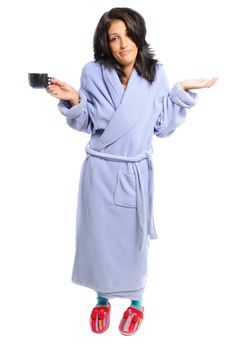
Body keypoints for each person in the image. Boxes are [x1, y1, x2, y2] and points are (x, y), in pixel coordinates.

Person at [47, 7, 217, 336]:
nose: (123, 44)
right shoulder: (93, 72)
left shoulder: (156, 74)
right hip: (100, 172)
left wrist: (181, 90)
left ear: (139, 35)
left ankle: (136, 302)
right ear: (105, 43)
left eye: (128, 35)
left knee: (131, 242)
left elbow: (162, 126)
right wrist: (74, 100)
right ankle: (102, 297)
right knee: (99, 239)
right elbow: (89, 121)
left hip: (133, 173)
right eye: (114, 38)